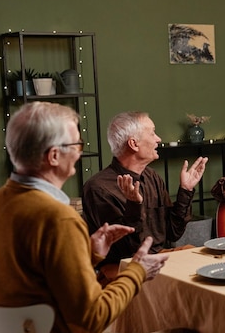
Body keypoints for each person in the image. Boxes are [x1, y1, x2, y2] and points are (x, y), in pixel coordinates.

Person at [0, 102, 212, 333]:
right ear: (54, 155)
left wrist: (90, 251)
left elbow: (36, 274)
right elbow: (93, 318)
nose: (81, 151)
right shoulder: (59, 217)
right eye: (77, 143)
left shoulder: (1, 203)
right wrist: (135, 272)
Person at [83, 111, 207, 283]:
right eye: (152, 133)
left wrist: (185, 190)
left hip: (157, 259)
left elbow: (173, 233)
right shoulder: (98, 188)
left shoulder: (152, 177)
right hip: (123, 269)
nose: (158, 139)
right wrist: (134, 205)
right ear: (133, 143)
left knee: (204, 261)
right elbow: (130, 251)